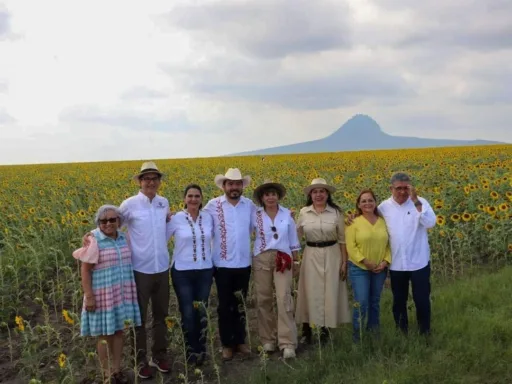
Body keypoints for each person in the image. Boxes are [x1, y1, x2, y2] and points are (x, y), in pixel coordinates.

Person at [73, 205, 141, 384]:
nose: (108, 223)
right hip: (102, 294)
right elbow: (85, 270)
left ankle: (117, 369)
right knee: (104, 335)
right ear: (98, 223)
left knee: (119, 332)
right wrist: (89, 296)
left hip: (121, 293)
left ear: (119, 221)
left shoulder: (124, 237)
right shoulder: (94, 239)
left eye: (112, 219)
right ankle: (106, 373)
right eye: (104, 221)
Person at [119, 162, 171, 379]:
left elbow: (167, 225)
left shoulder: (163, 203)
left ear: (159, 182)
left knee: (161, 315)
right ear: (139, 182)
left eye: (154, 178)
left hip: (162, 268)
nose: (150, 182)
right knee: (139, 318)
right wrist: (93, 235)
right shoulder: (129, 204)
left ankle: (159, 355)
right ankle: (140, 361)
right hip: (140, 269)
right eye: (146, 178)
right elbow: (111, 223)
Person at [203, 168, 255, 361]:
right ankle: (227, 344)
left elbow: (258, 225)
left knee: (240, 303)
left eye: (238, 183)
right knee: (225, 306)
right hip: (222, 264)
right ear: (224, 186)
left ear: (242, 186)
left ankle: (240, 341)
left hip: (243, 262)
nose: (234, 187)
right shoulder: (212, 205)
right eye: (230, 183)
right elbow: (200, 223)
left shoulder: (249, 205)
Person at [378, 172, 436, 335]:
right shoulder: (383, 207)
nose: (402, 192)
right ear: (391, 188)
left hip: (419, 262)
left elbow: (430, 222)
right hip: (396, 264)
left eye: (406, 188)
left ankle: (425, 332)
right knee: (399, 301)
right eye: (398, 188)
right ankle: (402, 332)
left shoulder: (420, 202)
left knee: (422, 299)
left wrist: (416, 201)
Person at [295, 178, 351, 344]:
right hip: (311, 254)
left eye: (322, 191)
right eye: (315, 191)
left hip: (332, 254)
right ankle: (307, 329)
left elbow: (342, 240)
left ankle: (325, 330)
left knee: (329, 291)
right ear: (310, 195)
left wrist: (344, 262)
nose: (318, 195)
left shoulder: (336, 213)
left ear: (327, 194)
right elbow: (295, 238)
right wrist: (295, 260)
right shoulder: (304, 212)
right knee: (309, 291)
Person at [251, 180, 301, 359]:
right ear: (262, 198)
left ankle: (287, 342)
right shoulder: (254, 215)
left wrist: (296, 261)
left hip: (283, 258)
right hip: (262, 258)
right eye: (266, 194)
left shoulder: (287, 214)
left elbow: (293, 238)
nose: (270, 197)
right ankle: (268, 339)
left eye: (273, 194)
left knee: (284, 298)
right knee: (263, 298)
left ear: (278, 196)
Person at [166, 184, 214, 366]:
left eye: (197, 196)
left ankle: (202, 349)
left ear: (202, 199)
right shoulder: (176, 218)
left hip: (205, 270)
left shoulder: (208, 218)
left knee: (201, 310)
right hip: (182, 272)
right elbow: (158, 236)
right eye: (190, 196)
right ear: (184, 199)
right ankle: (191, 351)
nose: (193, 199)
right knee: (187, 312)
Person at [345, 190, 391, 342]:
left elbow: (389, 244)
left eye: (370, 200)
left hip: (380, 268)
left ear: (375, 202)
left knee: (375, 302)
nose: (367, 203)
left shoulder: (382, 221)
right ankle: (357, 338)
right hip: (360, 268)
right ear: (358, 205)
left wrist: (385, 261)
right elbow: (350, 247)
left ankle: (374, 333)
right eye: (363, 201)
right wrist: (365, 261)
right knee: (361, 302)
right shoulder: (353, 222)